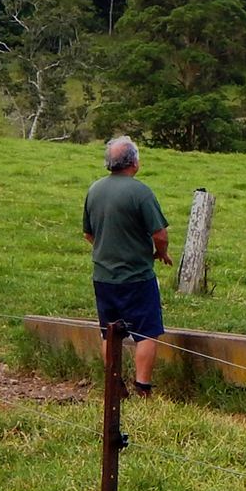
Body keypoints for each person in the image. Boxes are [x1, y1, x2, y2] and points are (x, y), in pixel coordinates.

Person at [82, 136, 170, 396]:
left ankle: (114, 385)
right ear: (134, 161)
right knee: (147, 331)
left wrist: (107, 249)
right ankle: (142, 387)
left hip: (103, 275)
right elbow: (160, 234)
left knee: (109, 333)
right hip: (137, 276)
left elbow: (88, 234)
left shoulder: (94, 189)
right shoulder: (140, 192)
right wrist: (160, 253)